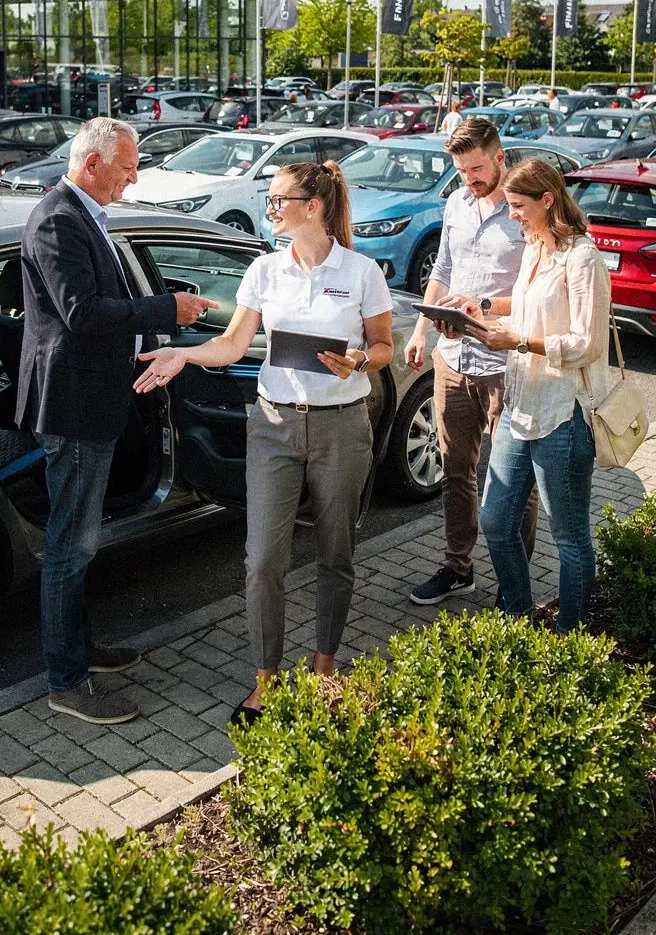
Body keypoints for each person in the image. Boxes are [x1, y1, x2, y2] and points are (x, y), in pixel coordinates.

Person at [134, 161, 394, 724]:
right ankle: (267, 680)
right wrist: (182, 355)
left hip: (342, 426)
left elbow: (383, 349)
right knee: (262, 561)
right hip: (273, 425)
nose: (271, 208)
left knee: (335, 553)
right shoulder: (263, 270)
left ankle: (324, 670)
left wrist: (357, 363)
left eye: (279, 200)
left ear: (314, 207)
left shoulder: (362, 271)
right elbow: (231, 345)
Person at [16, 117, 218, 725]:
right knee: (70, 546)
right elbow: (81, 312)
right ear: (93, 163)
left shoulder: (81, 214)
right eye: (128, 164)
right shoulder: (58, 218)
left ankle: (77, 650)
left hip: (90, 399)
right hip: (73, 408)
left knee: (79, 541)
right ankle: (66, 680)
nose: (135, 174)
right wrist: (168, 308)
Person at [470, 159, 611, 633]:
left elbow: (586, 343)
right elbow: (529, 315)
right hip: (519, 404)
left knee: (569, 537)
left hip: (563, 414)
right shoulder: (534, 248)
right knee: (494, 520)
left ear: (547, 200)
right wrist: (483, 316)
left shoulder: (582, 258)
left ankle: (570, 635)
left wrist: (519, 343)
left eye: (517, 206)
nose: (511, 215)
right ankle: (519, 617)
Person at [405, 117, 537, 605]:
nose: (469, 181)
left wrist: (481, 307)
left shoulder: (525, 212)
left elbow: (537, 291)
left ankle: (514, 582)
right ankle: (458, 567)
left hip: (508, 365)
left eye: (477, 170)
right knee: (456, 469)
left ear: (500, 158)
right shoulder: (457, 203)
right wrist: (422, 330)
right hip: (453, 358)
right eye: (461, 171)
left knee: (513, 479)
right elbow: (443, 268)